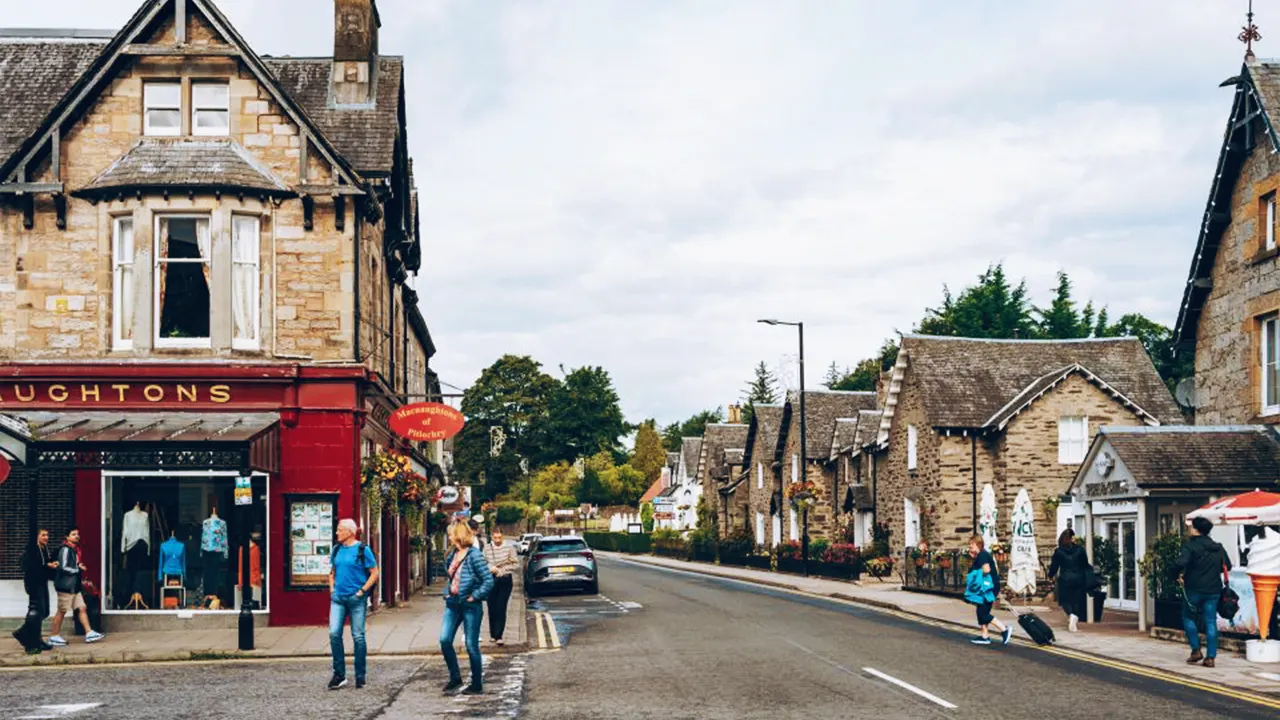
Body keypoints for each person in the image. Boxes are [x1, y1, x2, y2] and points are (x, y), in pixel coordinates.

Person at [440, 520, 494, 695]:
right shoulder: (452, 554)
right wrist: (447, 593)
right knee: (445, 640)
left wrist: (474, 596)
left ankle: (476, 684)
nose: (448, 536)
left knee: (471, 645)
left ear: (458, 534)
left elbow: (488, 580)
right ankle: (455, 678)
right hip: (453, 603)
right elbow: (450, 578)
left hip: (470, 605)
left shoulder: (474, 555)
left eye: (450, 533)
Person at [327, 519, 380, 690]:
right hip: (338, 599)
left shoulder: (363, 550)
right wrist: (332, 590)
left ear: (350, 532)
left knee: (358, 636)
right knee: (334, 634)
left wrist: (361, 592)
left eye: (339, 530)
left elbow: (374, 573)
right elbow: (332, 572)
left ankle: (360, 676)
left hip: (356, 599)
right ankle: (339, 675)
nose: (337, 533)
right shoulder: (336, 549)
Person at [1175, 516, 1231, 668]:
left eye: (1191, 526)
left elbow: (1181, 562)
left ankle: (1196, 650)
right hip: (1213, 589)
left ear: (1195, 529)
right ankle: (1210, 657)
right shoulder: (1218, 547)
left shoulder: (1190, 546)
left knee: (1188, 617)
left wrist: (1177, 573)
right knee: (1211, 621)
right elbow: (1228, 566)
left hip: (1193, 588)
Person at [49, 528, 104, 646]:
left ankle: (89, 633)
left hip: (74, 585)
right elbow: (63, 567)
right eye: (73, 534)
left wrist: (78, 565)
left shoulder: (75, 550)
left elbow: (71, 564)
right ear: (67, 537)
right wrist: (77, 569)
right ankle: (54, 635)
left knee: (82, 608)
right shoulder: (65, 550)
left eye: (78, 534)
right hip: (65, 586)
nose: (77, 536)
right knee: (62, 611)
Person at [12, 529, 57, 653]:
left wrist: (50, 566)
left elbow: (43, 566)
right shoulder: (33, 550)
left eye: (47, 535)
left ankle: (31, 637)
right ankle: (28, 637)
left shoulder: (44, 549)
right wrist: (47, 566)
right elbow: (30, 567)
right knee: (37, 612)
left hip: (41, 583)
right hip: (34, 584)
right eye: (43, 535)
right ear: (36, 537)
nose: (46, 537)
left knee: (44, 612)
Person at [966, 535, 1012, 646]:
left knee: (983, 612)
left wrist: (976, 577)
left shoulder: (982, 555)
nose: (969, 548)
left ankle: (1004, 629)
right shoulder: (982, 555)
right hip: (987, 587)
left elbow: (986, 570)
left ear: (977, 545)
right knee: (981, 610)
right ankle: (984, 636)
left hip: (988, 588)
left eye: (971, 545)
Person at [482, 529, 520, 646]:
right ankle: (493, 634)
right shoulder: (487, 548)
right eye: (495, 538)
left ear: (502, 537)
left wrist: (502, 570)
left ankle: (499, 636)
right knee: (491, 607)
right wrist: (491, 568)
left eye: (500, 538)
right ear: (492, 537)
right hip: (490, 580)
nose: (498, 540)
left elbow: (515, 564)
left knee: (501, 607)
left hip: (505, 580)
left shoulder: (509, 548)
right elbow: (483, 562)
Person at [1047, 529, 1090, 632]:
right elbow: (1085, 564)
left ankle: (1071, 615)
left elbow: (1054, 566)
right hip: (1079, 578)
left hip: (1065, 578)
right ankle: (1074, 617)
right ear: (1072, 538)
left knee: (1064, 600)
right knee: (1076, 600)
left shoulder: (1059, 551)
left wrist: (1050, 575)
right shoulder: (1080, 549)